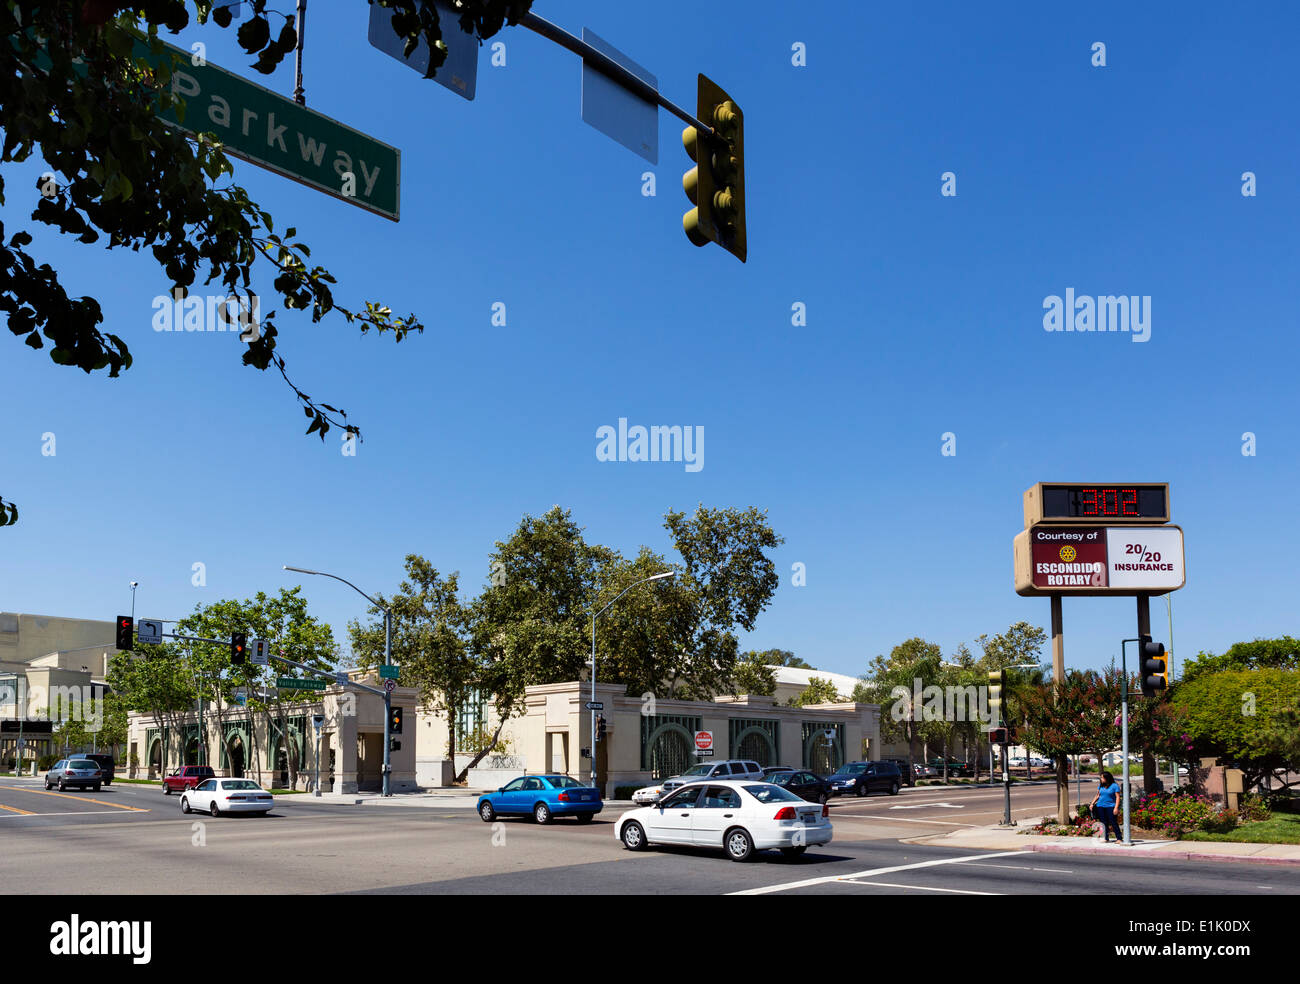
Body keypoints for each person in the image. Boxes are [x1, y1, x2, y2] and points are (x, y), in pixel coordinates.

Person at [1091, 770, 1124, 842]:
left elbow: (1118, 797)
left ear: (1107, 778)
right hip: (1100, 806)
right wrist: (1092, 803)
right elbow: (1098, 795)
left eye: (1102, 778)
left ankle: (1119, 838)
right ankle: (1106, 838)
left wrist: (1116, 807)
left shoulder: (1114, 786)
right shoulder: (1101, 786)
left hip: (1111, 806)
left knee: (1113, 822)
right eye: (1101, 778)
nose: (1101, 779)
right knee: (1103, 823)